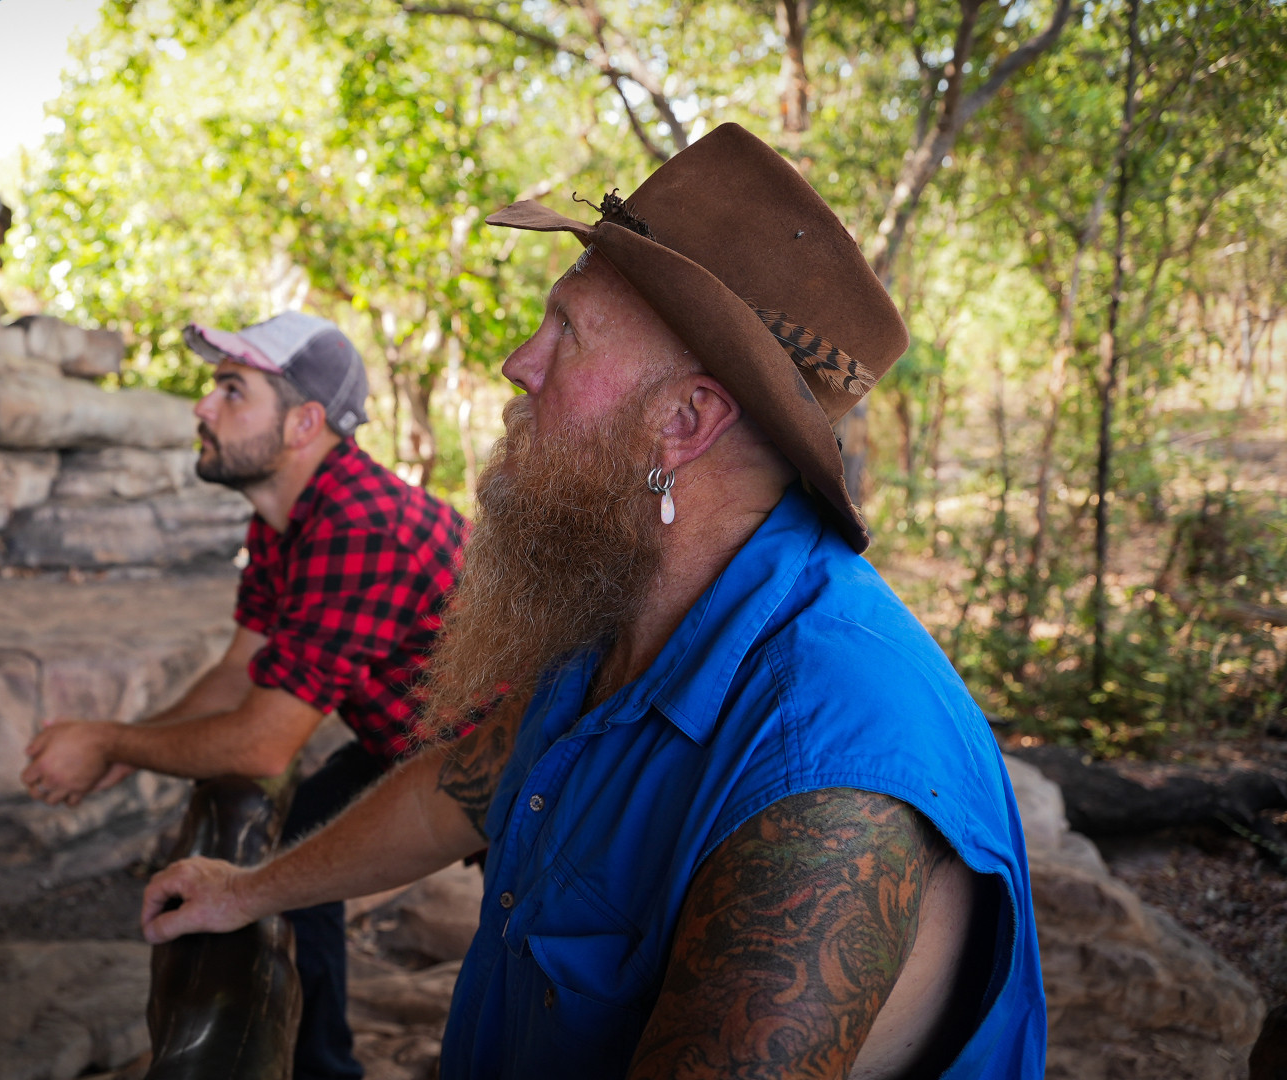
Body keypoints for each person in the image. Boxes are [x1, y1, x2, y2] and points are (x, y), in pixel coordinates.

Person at [138, 123, 1047, 1079]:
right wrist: (251, 890)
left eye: (565, 330)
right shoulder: (630, 600)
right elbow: (462, 791)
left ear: (685, 420)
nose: (518, 363)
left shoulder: (828, 783)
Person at [20, 311, 470, 1080]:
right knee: (298, 842)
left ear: (304, 424)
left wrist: (110, 741)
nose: (203, 405)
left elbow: (262, 744)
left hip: (527, 765)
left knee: (537, 981)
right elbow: (241, 670)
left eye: (233, 390)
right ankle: (324, 1067)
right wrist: (129, 745)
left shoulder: (360, 523)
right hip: (414, 742)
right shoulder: (283, 514)